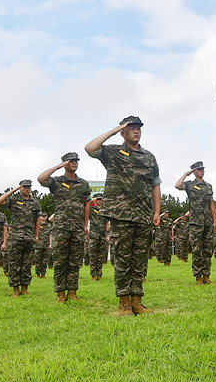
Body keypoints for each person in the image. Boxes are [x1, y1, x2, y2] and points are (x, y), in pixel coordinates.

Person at [85, 116, 162, 315]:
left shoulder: (149, 156)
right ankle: (124, 302)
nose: (136, 131)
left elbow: (155, 185)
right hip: (120, 214)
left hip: (143, 215)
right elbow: (90, 148)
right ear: (123, 132)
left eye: (138, 128)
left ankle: (137, 300)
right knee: (122, 259)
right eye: (131, 128)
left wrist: (156, 211)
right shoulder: (112, 152)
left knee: (139, 260)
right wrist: (114, 130)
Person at [37, 152, 91, 303]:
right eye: (71, 161)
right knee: (60, 261)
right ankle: (60, 293)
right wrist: (58, 166)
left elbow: (87, 205)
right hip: (61, 227)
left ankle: (72, 292)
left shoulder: (83, 183)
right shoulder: (57, 181)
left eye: (76, 161)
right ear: (65, 163)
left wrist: (85, 224)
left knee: (75, 261)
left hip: (77, 227)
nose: (74, 163)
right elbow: (41, 179)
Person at [175, 161, 216, 284]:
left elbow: (211, 203)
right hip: (195, 222)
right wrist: (186, 174)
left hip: (208, 222)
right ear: (194, 171)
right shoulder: (189, 185)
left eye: (202, 169)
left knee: (208, 250)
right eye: (198, 170)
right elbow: (177, 186)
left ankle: (206, 276)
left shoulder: (208, 186)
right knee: (197, 250)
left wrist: (214, 221)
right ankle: (198, 276)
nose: (201, 171)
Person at [0, 181, 40, 296]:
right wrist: (14, 190)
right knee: (14, 264)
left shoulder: (35, 202)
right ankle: (15, 289)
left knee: (27, 264)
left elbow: (37, 220)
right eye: (24, 187)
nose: (27, 189)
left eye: (28, 187)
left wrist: (36, 235)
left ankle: (24, 289)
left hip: (29, 237)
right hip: (15, 236)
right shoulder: (14, 200)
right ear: (20, 188)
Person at [88, 193, 109, 280]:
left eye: (101, 199)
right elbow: (84, 207)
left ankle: (99, 274)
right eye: (98, 199)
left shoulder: (105, 210)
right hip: (93, 235)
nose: (99, 201)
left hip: (102, 235)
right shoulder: (92, 210)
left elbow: (107, 222)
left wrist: (107, 234)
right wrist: (91, 200)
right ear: (95, 200)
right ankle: (93, 275)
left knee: (100, 256)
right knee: (93, 256)